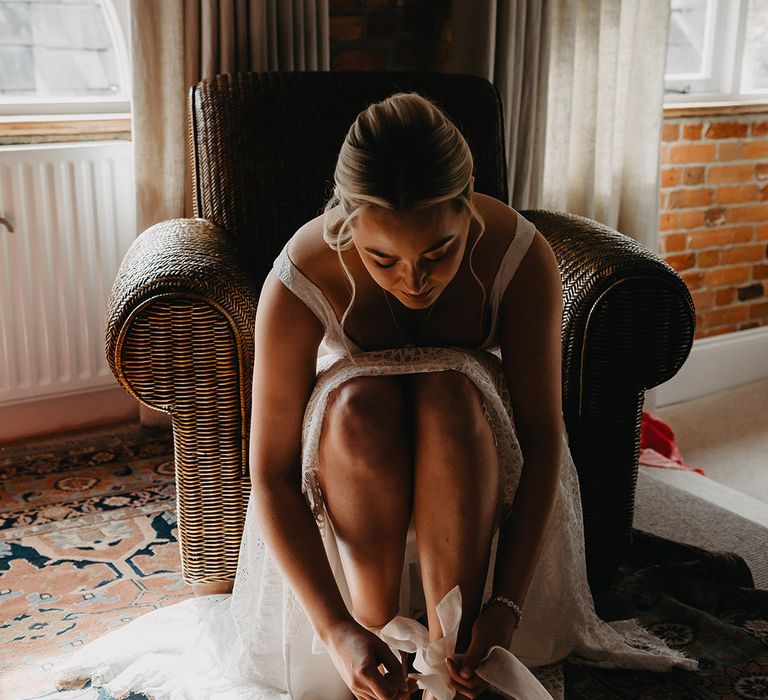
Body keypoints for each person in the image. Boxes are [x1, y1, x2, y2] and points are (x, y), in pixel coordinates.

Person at [56, 92, 698, 700]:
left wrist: (507, 607)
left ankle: (455, 653)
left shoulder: (519, 256)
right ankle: (375, 635)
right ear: (345, 220)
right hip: (354, 442)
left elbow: (542, 437)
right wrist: (333, 629)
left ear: (469, 206)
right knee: (362, 403)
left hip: (469, 435)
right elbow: (272, 473)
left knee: (449, 394)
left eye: (439, 252)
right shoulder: (302, 273)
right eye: (382, 259)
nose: (414, 281)